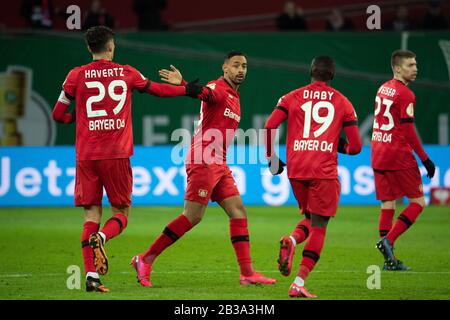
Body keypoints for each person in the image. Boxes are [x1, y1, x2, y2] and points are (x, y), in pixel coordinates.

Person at [52, 26, 200, 292]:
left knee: (91, 213)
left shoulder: (75, 76)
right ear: (111, 47)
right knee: (120, 213)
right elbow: (158, 91)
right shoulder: (127, 72)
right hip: (116, 154)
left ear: (89, 48)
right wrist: (187, 89)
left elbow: (58, 115)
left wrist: (77, 118)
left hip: (86, 156)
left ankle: (91, 277)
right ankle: (103, 237)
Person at [130, 51, 276, 287]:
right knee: (192, 216)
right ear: (225, 68)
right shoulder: (217, 87)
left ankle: (247, 273)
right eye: (236, 65)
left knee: (238, 212)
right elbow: (205, 93)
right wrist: (186, 85)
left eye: (245, 66)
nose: (241, 70)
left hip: (219, 162)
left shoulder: (235, 97)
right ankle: (145, 259)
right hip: (203, 160)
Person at [264, 56, 362, 298]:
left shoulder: (291, 96)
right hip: (323, 171)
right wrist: (340, 147)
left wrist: (272, 158)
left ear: (310, 72)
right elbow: (356, 147)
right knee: (319, 227)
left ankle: (292, 240)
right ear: (332, 75)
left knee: (309, 217)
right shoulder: (343, 102)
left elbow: (268, 127)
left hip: (296, 169)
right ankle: (298, 282)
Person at [372, 50, 435, 271]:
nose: (415, 68)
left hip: (378, 151)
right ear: (397, 68)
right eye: (410, 65)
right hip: (397, 154)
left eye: (416, 64)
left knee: (387, 203)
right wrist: (426, 159)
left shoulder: (383, 88)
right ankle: (388, 241)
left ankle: (389, 260)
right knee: (418, 202)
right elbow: (408, 131)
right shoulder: (406, 94)